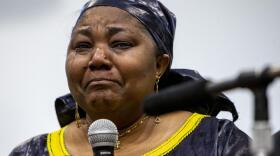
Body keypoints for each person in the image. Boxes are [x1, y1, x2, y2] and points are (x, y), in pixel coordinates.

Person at [9, 0, 251, 155]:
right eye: (82, 46)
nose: (97, 58)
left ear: (159, 64)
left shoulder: (216, 142)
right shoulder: (32, 151)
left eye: (121, 43)